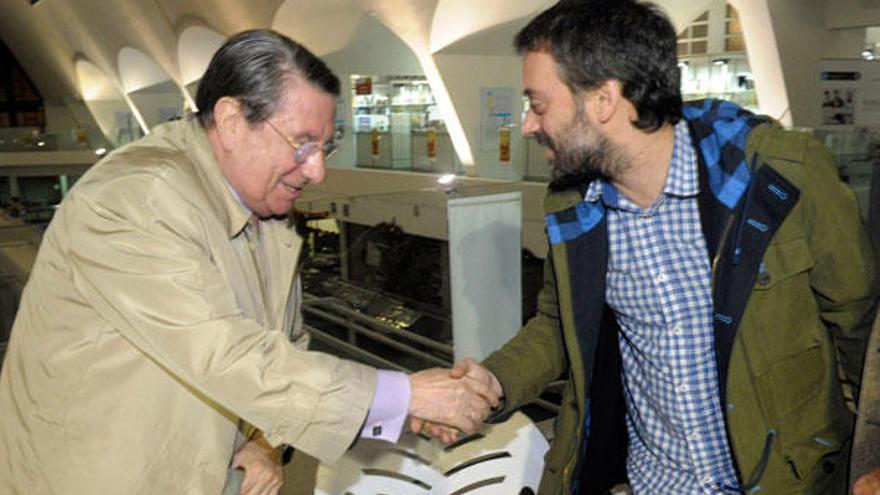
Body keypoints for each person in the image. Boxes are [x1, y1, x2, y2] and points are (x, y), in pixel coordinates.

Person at [0, 30, 499, 495]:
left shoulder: (263, 211)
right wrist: (406, 397)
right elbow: (224, 353)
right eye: (302, 143)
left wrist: (263, 441)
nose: (318, 170)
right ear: (233, 120)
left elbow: (282, 346)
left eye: (325, 146)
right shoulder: (137, 198)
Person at [436, 1, 877, 493]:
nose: (527, 125)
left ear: (604, 99)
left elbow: (862, 325)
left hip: (786, 481)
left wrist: (872, 461)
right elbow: (559, 325)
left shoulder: (778, 177)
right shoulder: (572, 206)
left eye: (539, 105)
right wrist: (495, 381)